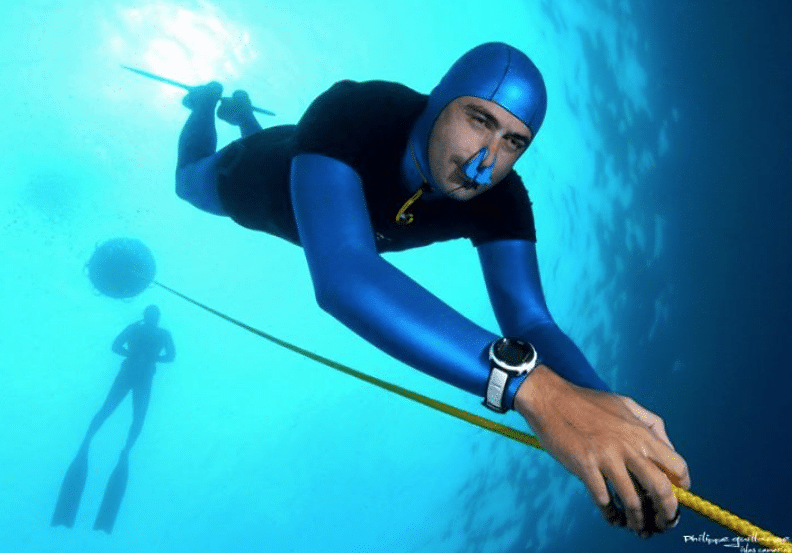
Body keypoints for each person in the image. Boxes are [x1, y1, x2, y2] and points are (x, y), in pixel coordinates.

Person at [174, 42, 690, 537]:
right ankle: (208, 102)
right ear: (439, 98)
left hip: (310, 188)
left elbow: (532, 321)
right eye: (479, 119)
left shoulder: (500, 197)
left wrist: (606, 410)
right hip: (251, 177)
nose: (484, 163)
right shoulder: (357, 111)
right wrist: (538, 392)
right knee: (186, 183)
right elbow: (344, 274)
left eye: (513, 142)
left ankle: (243, 111)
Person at [51, 305, 175, 533]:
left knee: (114, 413)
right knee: (129, 417)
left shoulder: (140, 329)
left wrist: (136, 355)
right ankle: (111, 448)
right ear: (153, 317)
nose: (153, 318)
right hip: (140, 374)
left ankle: (96, 444)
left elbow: (117, 346)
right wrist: (150, 357)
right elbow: (169, 356)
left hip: (132, 372)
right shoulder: (159, 333)